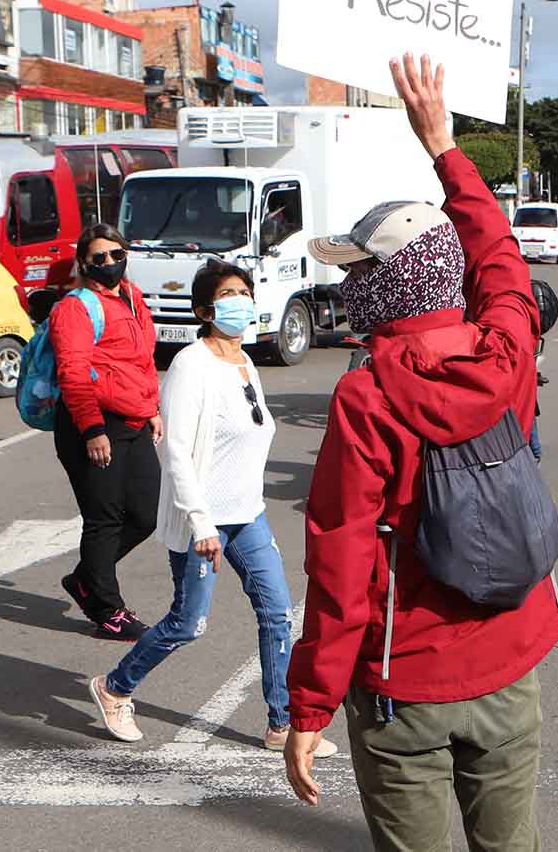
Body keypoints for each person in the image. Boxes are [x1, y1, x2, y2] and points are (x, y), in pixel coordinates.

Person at [285, 54, 558, 851]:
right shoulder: (506, 350)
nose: (348, 286)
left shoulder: (367, 396)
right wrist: (443, 146)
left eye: (359, 270)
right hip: (510, 660)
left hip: (401, 683)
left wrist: (308, 709)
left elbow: (341, 565)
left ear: (388, 283)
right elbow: (502, 258)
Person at [87, 260, 337, 759]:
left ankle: (281, 722)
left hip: (248, 514)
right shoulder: (190, 366)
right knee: (188, 622)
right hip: (203, 519)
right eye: (228, 294)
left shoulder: (245, 363)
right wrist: (201, 523)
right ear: (205, 309)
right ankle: (115, 687)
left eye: (244, 291)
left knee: (276, 614)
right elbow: (177, 451)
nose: (239, 301)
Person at [52, 224, 162, 642]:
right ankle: (106, 608)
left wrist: (152, 407)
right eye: (99, 258)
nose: (110, 263)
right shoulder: (75, 308)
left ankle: (85, 580)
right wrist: (92, 430)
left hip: (133, 420)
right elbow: (73, 374)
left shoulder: (132, 299)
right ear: (84, 262)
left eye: (117, 254)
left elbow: (143, 359)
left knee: (146, 515)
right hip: (93, 424)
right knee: (105, 519)